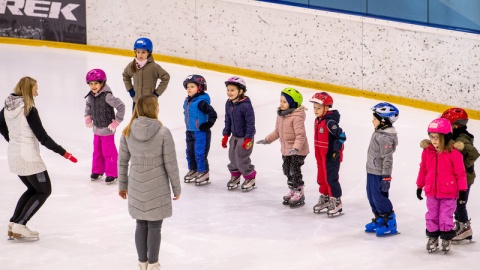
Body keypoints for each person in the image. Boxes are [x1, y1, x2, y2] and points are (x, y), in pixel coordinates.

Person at [0, 77, 77, 240]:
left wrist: (13, 140)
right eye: (35, 89)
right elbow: (42, 137)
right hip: (29, 158)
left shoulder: (7, 106)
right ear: (28, 90)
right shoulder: (29, 109)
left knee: (33, 189)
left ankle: (14, 223)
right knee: (44, 190)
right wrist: (64, 153)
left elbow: (0, 125)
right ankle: (20, 224)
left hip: (14, 155)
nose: (37, 93)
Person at [118, 95, 181, 270]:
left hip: (136, 183)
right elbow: (171, 163)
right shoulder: (163, 132)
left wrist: (122, 185)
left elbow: (122, 162)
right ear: (152, 109)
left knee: (140, 223)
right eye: (157, 106)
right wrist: (176, 188)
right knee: (154, 225)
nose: (158, 108)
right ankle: (153, 264)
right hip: (157, 185)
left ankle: (142, 263)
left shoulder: (127, 131)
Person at [421, 108, 479, 242]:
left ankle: (465, 227)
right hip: (454, 177)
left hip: (463, 177)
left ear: (454, 126)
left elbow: (473, 154)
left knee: (459, 204)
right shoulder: (450, 136)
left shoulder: (462, 138)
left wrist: (463, 151)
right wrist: (428, 143)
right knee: (453, 204)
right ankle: (460, 225)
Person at [416, 118, 467, 253]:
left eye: (437, 137)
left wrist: (462, 191)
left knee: (445, 216)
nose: (433, 140)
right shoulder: (427, 152)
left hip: (449, 193)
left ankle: (446, 237)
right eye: (431, 137)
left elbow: (461, 174)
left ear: (446, 137)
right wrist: (419, 186)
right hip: (431, 191)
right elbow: (423, 169)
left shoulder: (454, 154)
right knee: (432, 215)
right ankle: (433, 237)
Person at [256, 87, 309, 207]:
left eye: (285, 102)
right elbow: (277, 131)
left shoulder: (297, 117)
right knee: (286, 169)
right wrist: (267, 140)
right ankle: (292, 189)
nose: (281, 104)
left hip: (298, 150)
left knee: (294, 170)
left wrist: (296, 148)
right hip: (286, 149)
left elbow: (301, 135)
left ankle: (299, 191)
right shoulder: (281, 115)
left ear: (293, 104)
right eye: (281, 100)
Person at [84, 69, 125, 184]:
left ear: (102, 83)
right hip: (96, 129)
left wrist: (116, 122)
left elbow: (121, 107)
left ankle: (112, 173)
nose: (93, 86)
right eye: (91, 84)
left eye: (96, 83)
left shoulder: (107, 96)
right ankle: (97, 170)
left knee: (109, 152)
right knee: (97, 151)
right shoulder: (90, 96)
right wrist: (88, 116)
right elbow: (88, 105)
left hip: (107, 130)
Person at [364, 102, 399, 235]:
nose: (372, 120)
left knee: (379, 197)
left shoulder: (385, 137)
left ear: (383, 121)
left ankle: (389, 221)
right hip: (372, 170)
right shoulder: (379, 132)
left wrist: (386, 176)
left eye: (375, 118)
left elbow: (388, 159)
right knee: (371, 196)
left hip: (379, 173)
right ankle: (379, 218)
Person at [309, 92, 346, 217]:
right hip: (320, 154)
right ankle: (325, 197)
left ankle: (336, 200)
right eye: (314, 107)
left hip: (330, 156)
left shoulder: (329, 122)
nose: (315, 110)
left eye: (318, 108)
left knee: (331, 178)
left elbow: (341, 136)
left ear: (326, 108)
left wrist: (336, 151)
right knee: (321, 177)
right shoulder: (317, 120)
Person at [222, 76, 256, 191]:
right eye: (228, 90)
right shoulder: (229, 103)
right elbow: (227, 120)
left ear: (240, 91)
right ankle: (235, 176)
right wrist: (226, 135)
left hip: (246, 137)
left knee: (241, 157)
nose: (229, 93)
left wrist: (248, 139)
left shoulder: (246, 106)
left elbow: (250, 124)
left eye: (232, 90)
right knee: (232, 156)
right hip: (234, 136)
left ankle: (250, 177)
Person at [182, 74, 217, 185]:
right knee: (190, 152)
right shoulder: (187, 101)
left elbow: (212, 114)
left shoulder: (201, 102)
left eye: (192, 86)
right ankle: (194, 169)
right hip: (190, 131)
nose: (189, 88)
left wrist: (208, 124)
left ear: (200, 87)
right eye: (187, 86)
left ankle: (203, 171)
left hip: (201, 132)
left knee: (199, 153)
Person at [122, 37, 170, 110]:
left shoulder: (154, 67)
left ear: (149, 52)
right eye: (138, 52)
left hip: (149, 104)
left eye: (143, 52)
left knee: (148, 121)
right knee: (135, 121)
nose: (140, 55)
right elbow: (125, 75)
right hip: (136, 102)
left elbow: (166, 77)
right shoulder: (133, 65)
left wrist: (156, 94)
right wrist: (130, 89)